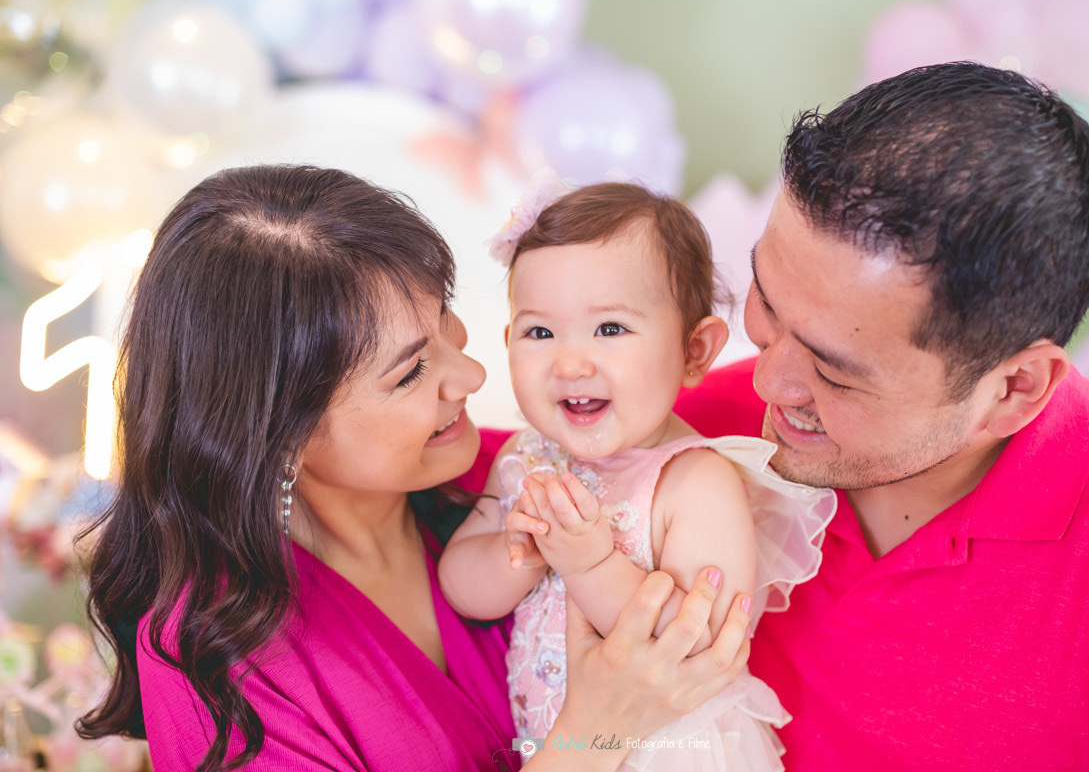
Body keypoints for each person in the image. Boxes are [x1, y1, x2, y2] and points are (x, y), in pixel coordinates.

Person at [76, 165, 754, 772]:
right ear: (280, 434)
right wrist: (592, 736)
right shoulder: (215, 657)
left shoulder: (518, 475)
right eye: (411, 373)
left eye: (446, 322)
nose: (473, 374)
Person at [672, 62, 1089, 770]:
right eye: (766, 303)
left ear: (1014, 388)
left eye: (834, 372)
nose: (768, 381)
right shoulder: (691, 431)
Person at [437, 179, 834, 771]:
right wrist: (514, 553)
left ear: (694, 352)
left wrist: (589, 562)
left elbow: (699, 642)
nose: (570, 363)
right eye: (540, 332)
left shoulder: (695, 480)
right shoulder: (526, 457)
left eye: (610, 329)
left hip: (674, 749)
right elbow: (462, 590)